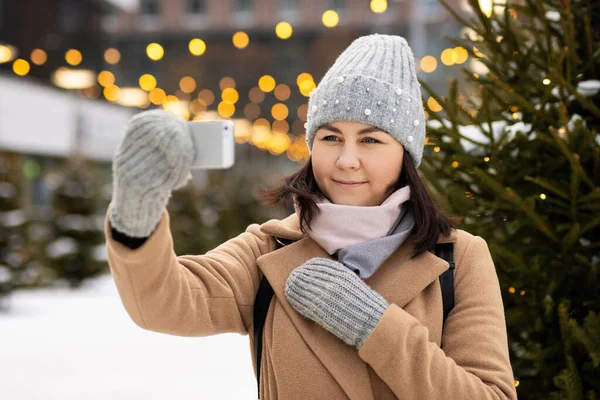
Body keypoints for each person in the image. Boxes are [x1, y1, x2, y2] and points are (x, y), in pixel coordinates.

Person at [105, 34, 517, 399]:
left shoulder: (458, 258)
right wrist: (136, 213)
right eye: (331, 137)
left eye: (370, 139)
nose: (346, 160)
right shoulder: (268, 250)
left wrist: (373, 325)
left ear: (405, 155)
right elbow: (165, 303)